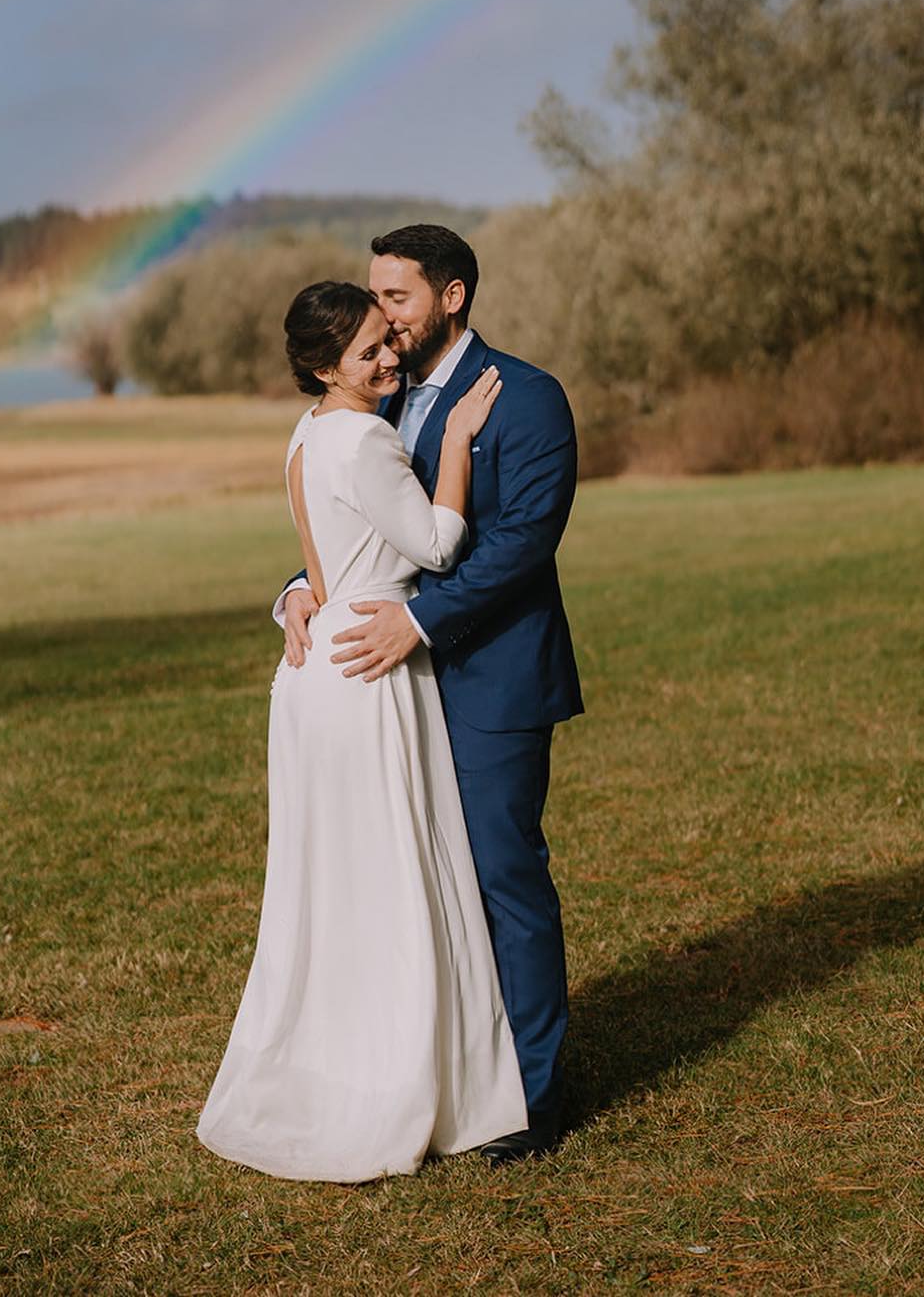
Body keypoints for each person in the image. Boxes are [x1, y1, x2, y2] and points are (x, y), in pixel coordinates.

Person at [196, 281, 529, 1183]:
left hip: (318, 673)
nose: (389, 360)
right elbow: (437, 544)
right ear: (321, 366)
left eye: (389, 340)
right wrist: (456, 442)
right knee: (387, 875)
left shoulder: (307, 432)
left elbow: (328, 554)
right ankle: (396, 1081)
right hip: (368, 674)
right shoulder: (369, 435)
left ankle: (340, 1065)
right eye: (368, 353)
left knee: (333, 881)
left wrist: (298, 592)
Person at [282, 224, 583, 1164]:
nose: (386, 322)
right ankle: (451, 1073)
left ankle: (530, 1098)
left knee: (501, 877)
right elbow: (356, 523)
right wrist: (299, 590)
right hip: (389, 691)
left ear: (452, 297)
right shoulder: (378, 394)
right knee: (420, 886)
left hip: (488, 680)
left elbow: (521, 543)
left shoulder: (528, 399)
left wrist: (416, 623)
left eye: (398, 301)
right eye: (377, 306)